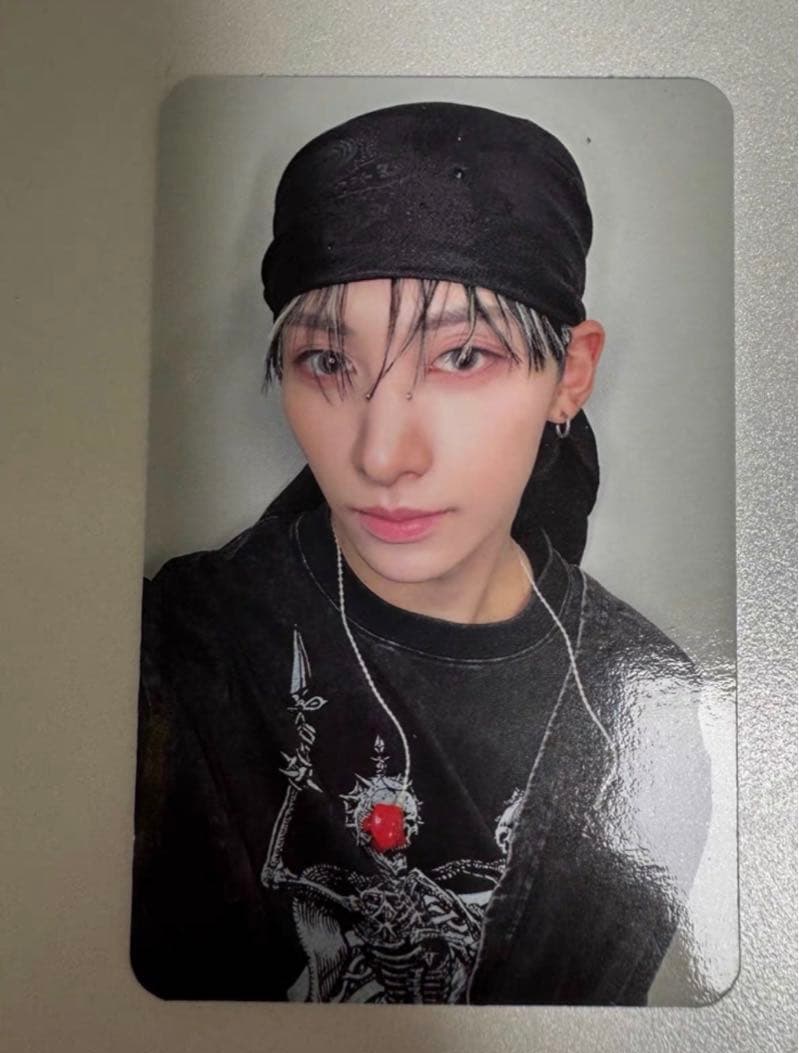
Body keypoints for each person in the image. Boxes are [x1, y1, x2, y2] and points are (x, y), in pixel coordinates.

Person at [131, 101, 711, 1005]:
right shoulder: (178, 649)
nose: (380, 455)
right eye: (328, 363)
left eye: (463, 357)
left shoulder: (645, 709)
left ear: (570, 374)